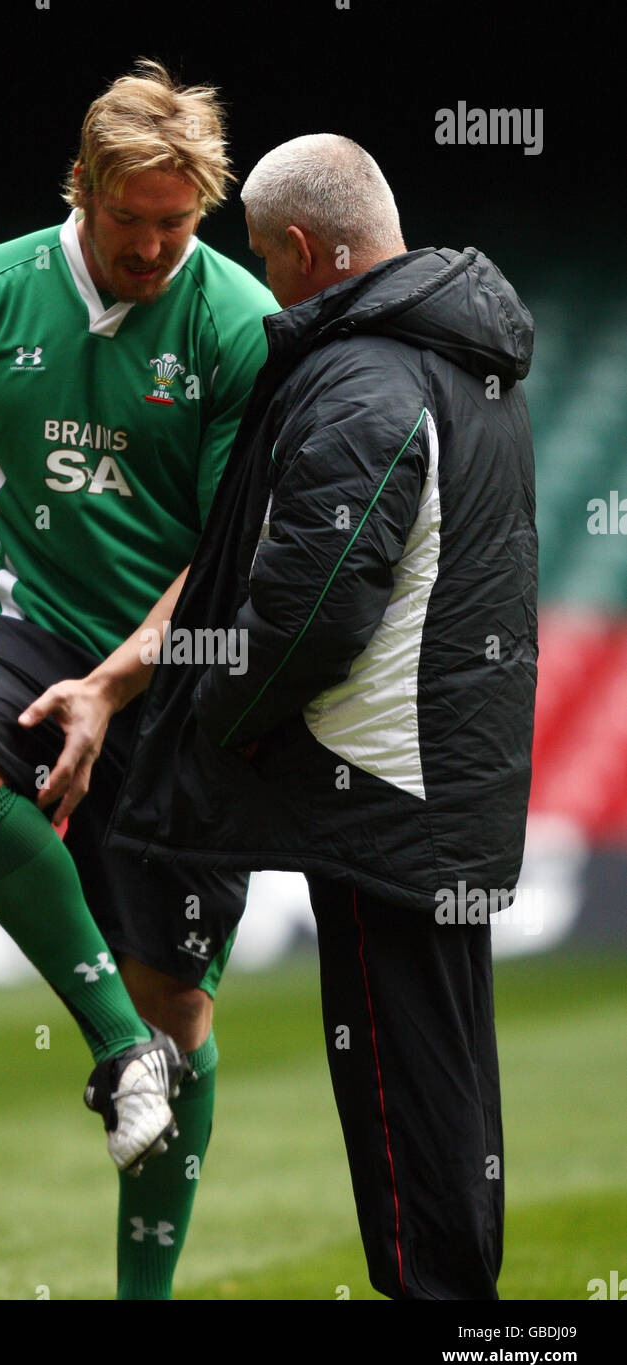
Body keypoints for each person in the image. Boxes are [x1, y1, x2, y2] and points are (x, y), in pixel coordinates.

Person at [0, 60, 277, 1300]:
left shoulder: (237, 322)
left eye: (178, 222)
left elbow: (224, 556)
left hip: (181, 676)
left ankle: (142, 1287)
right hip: (28, 626)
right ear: (79, 187)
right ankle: (113, 1046)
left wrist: (114, 690)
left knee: (183, 1010)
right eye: (130, 220)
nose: (153, 245)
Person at [105, 133, 538, 1299]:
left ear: (300, 251)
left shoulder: (365, 377)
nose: (262, 282)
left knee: (408, 1129)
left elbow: (311, 607)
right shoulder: (460, 359)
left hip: (379, 804)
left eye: (261, 255)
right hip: (435, 791)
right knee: (446, 1104)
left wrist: (225, 721)